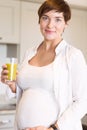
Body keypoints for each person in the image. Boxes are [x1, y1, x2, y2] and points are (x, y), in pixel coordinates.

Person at [1, 0, 87, 130]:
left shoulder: (73, 55)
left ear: (65, 24)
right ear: (39, 21)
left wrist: (54, 128)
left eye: (58, 19)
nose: (50, 25)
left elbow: (83, 102)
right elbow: (28, 90)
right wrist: (13, 86)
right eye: (45, 18)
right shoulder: (30, 52)